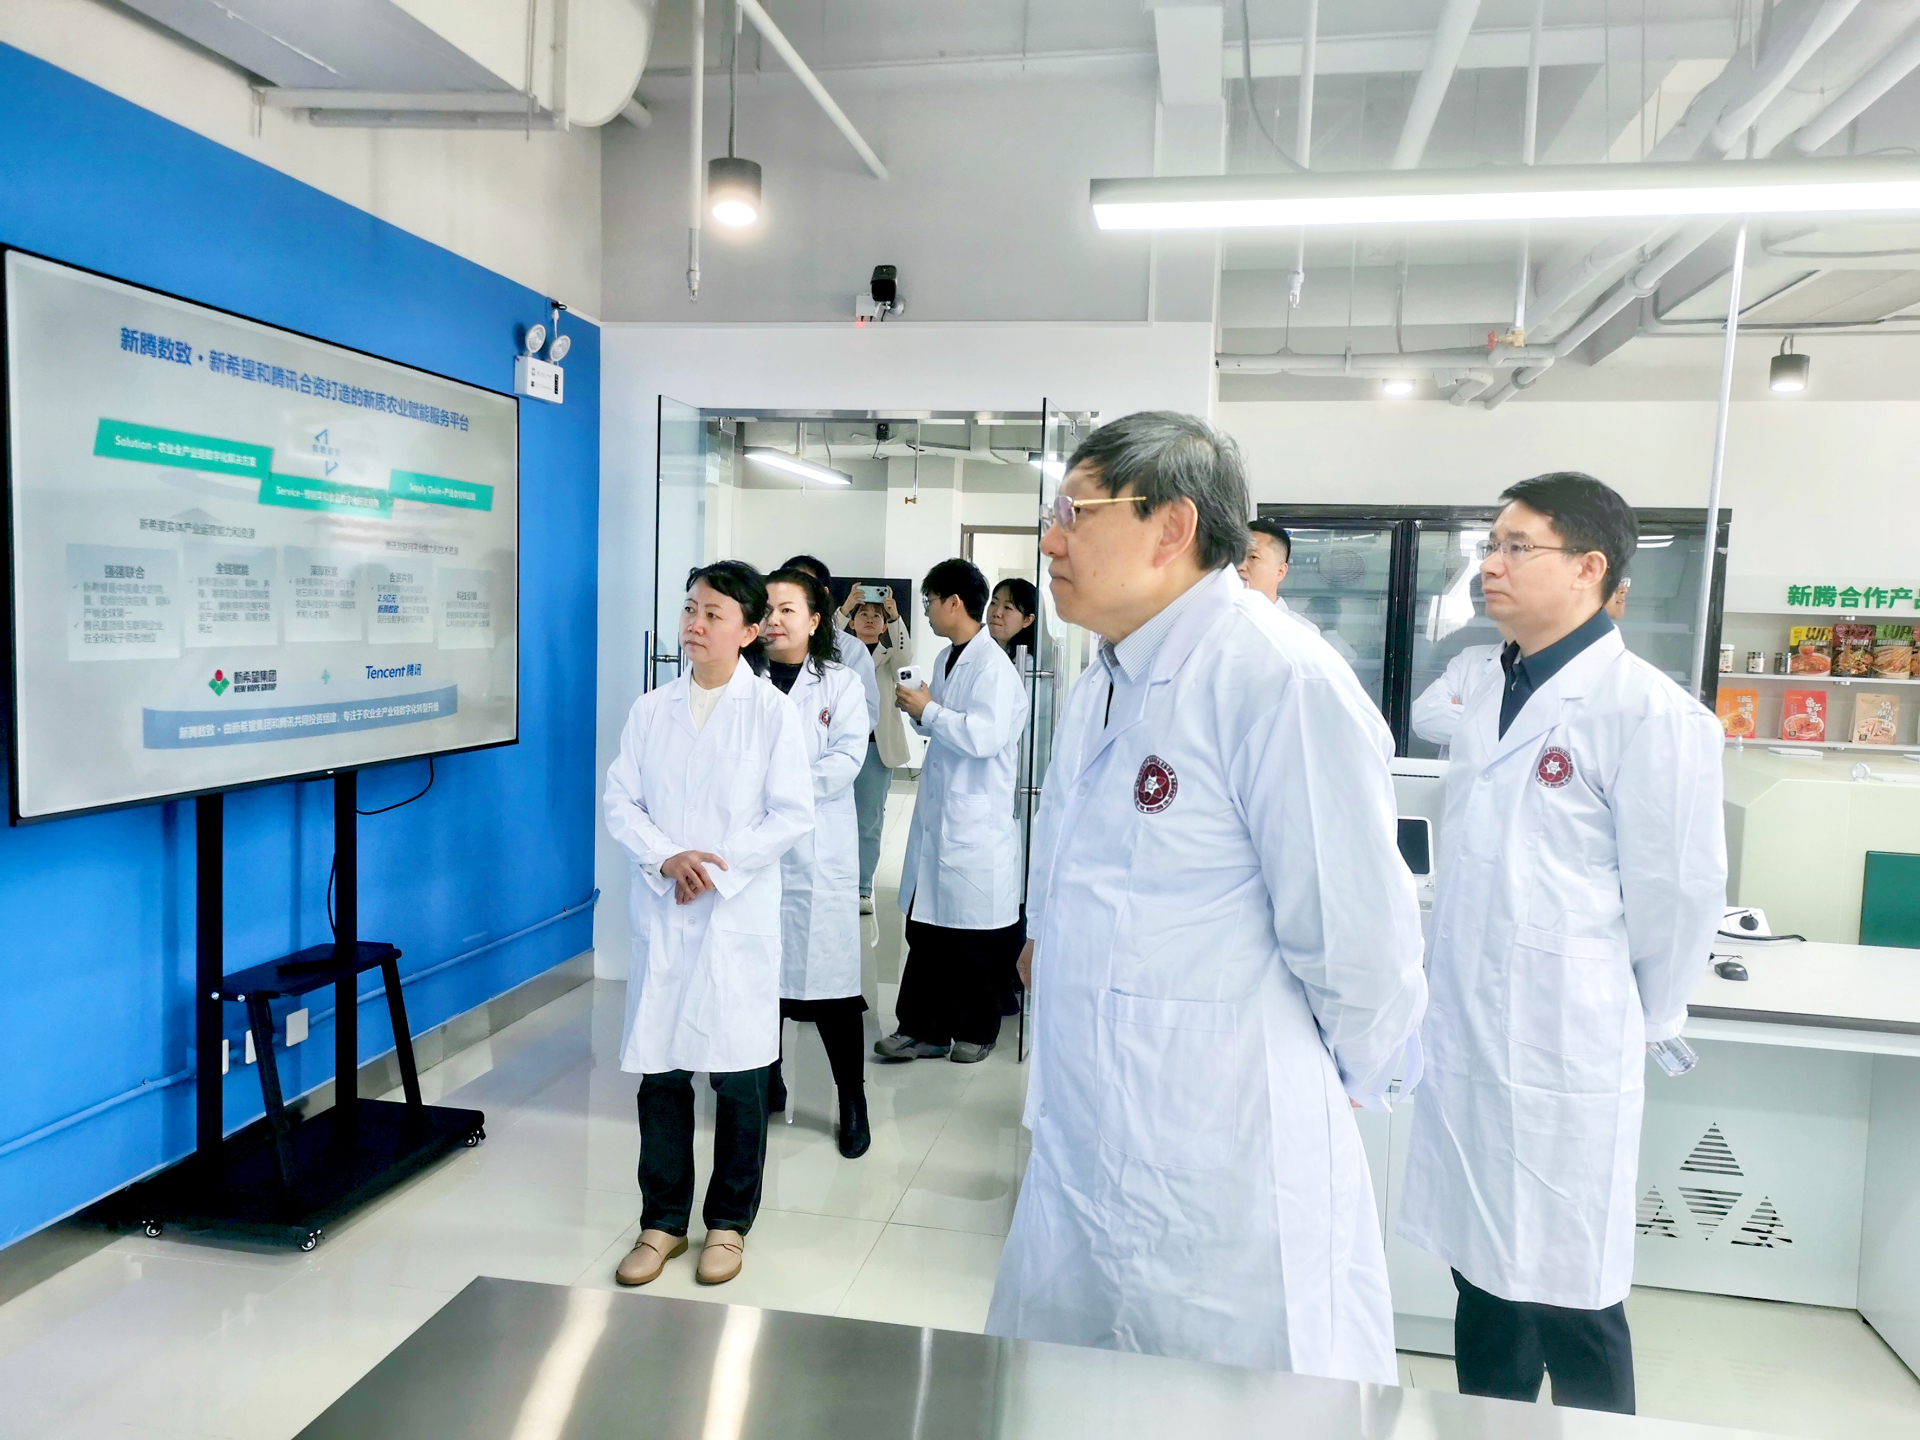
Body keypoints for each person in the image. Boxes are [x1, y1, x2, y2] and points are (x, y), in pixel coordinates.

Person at [985, 412, 1428, 1385]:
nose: (1050, 540)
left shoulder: (1277, 678)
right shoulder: (1107, 676)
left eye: (1074, 513)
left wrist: (1332, 1079)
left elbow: (1360, 951)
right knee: (1075, 1388)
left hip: (1226, 1155)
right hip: (1093, 1135)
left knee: (1228, 1401)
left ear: (1172, 528)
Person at [1397, 474, 1726, 1414]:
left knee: (1573, 1298)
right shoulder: (1491, 692)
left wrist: (1640, 1009)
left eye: (1517, 547)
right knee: (1483, 1283)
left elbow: (1677, 896)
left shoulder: (1648, 713)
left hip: (1568, 1043)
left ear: (1589, 568)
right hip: (1472, 1034)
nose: (1491, 566)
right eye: (1490, 546)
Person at [602, 561, 814, 1289]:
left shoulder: (771, 714)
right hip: (667, 906)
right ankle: (662, 1222)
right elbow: (621, 801)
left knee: (740, 1078)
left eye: (713, 614)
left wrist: (715, 868)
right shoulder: (650, 709)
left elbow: (791, 813)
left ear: (750, 631)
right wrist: (667, 858)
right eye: (690, 609)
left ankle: (727, 1224)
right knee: (660, 1075)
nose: (694, 624)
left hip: (732, 912)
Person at [875, 558, 1028, 1065]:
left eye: (930, 601)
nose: (926, 610)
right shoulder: (946, 657)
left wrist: (930, 711)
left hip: (974, 821)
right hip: (941, 814)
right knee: (926, 931)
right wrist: (920, 711)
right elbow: (939, 724)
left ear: (954, 602)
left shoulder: (994, 669)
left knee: (971, 939)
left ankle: (977, 1031)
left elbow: (984, 737)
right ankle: (922, 1030)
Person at [761, 567, 873, 1158]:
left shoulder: (841, 684)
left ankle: (851, 1100)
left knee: (831, 987)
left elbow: (847, 759)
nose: (775, 620)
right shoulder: (740, 681)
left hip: (816, 853)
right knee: (760, 981)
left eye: (788, 610)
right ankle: (766, 1080)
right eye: (767, 610)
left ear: (813, 620)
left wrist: (776, 789)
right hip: (755, 855)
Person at [833, 585, 912, 913]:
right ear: (852, 623)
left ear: (883, 626)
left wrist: (894, 616)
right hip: (837, 746)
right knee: (832, 818)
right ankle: (835, 883)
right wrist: (844, 608)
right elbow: (823, 639)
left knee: (868, 821)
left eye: (876, 616)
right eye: (862, 614)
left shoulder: (891, 658)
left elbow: (906, 658)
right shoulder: (838, 653)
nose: (868, 619)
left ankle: (862, 888)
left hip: (875, 748)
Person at [1237, 516, 1318, 634]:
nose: (1239, 566)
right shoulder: (1220, 622)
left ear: (1280, 571)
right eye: (1237, 557)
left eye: (1253, 557)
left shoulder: (1300, 632)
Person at [986, 577, 1039, 658]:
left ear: (1027, 620)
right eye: (993, 603)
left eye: (1007, 607)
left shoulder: (1027, 662)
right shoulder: (984, 650)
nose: (997, 613)